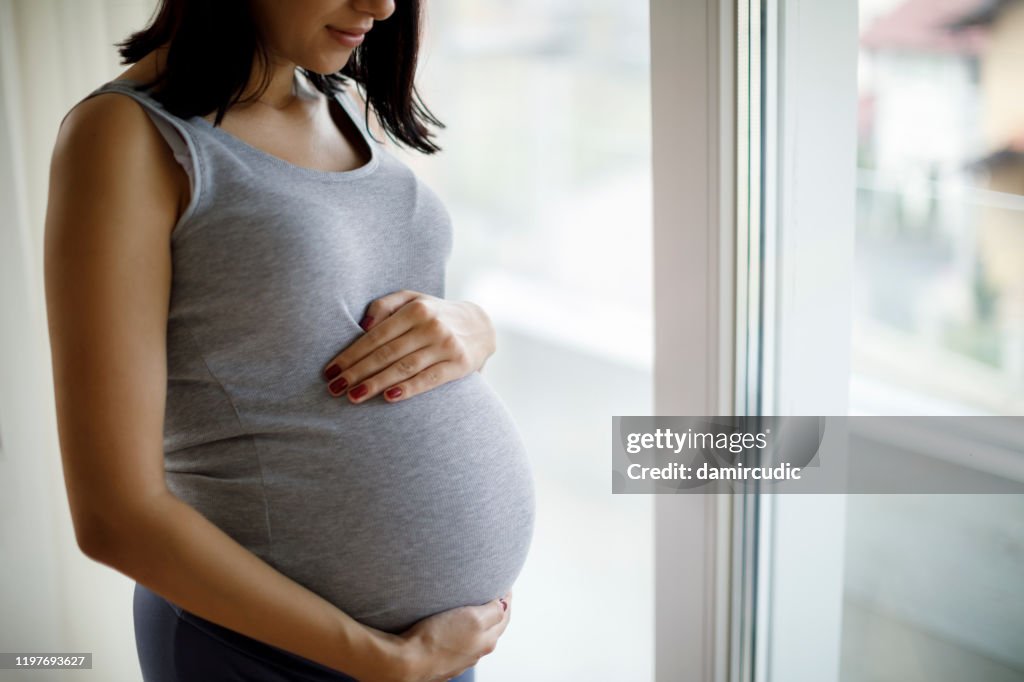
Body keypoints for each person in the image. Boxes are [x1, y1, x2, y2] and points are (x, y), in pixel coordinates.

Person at [43, 1, 536, 680]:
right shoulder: (126, 136)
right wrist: (384, 660)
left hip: (434, 653)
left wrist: (475, 330)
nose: (383, 6)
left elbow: (362, 311)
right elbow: (113, 513)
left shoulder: (346, 104)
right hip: (269, 654)